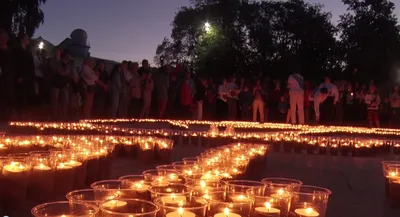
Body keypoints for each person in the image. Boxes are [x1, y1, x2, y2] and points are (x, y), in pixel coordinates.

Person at [15, 34, 35, 119]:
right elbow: (18, 64)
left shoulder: (28, 51)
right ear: (23, 39)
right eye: (26, 38)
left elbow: (30, 65)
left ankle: (22, 112)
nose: (28, 39)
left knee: (25, 94)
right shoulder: (18, 50)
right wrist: (19, 75)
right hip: (20, 76)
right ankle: (18, 113)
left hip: (27, 76)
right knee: (20, 94)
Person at [0, 29, 16, 121]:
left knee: (9, 97)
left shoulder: (11, 51)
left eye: (5, 38)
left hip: (9, 77)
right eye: (1, 38)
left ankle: (7, 117)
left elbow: (14, 64)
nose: (3, 39)